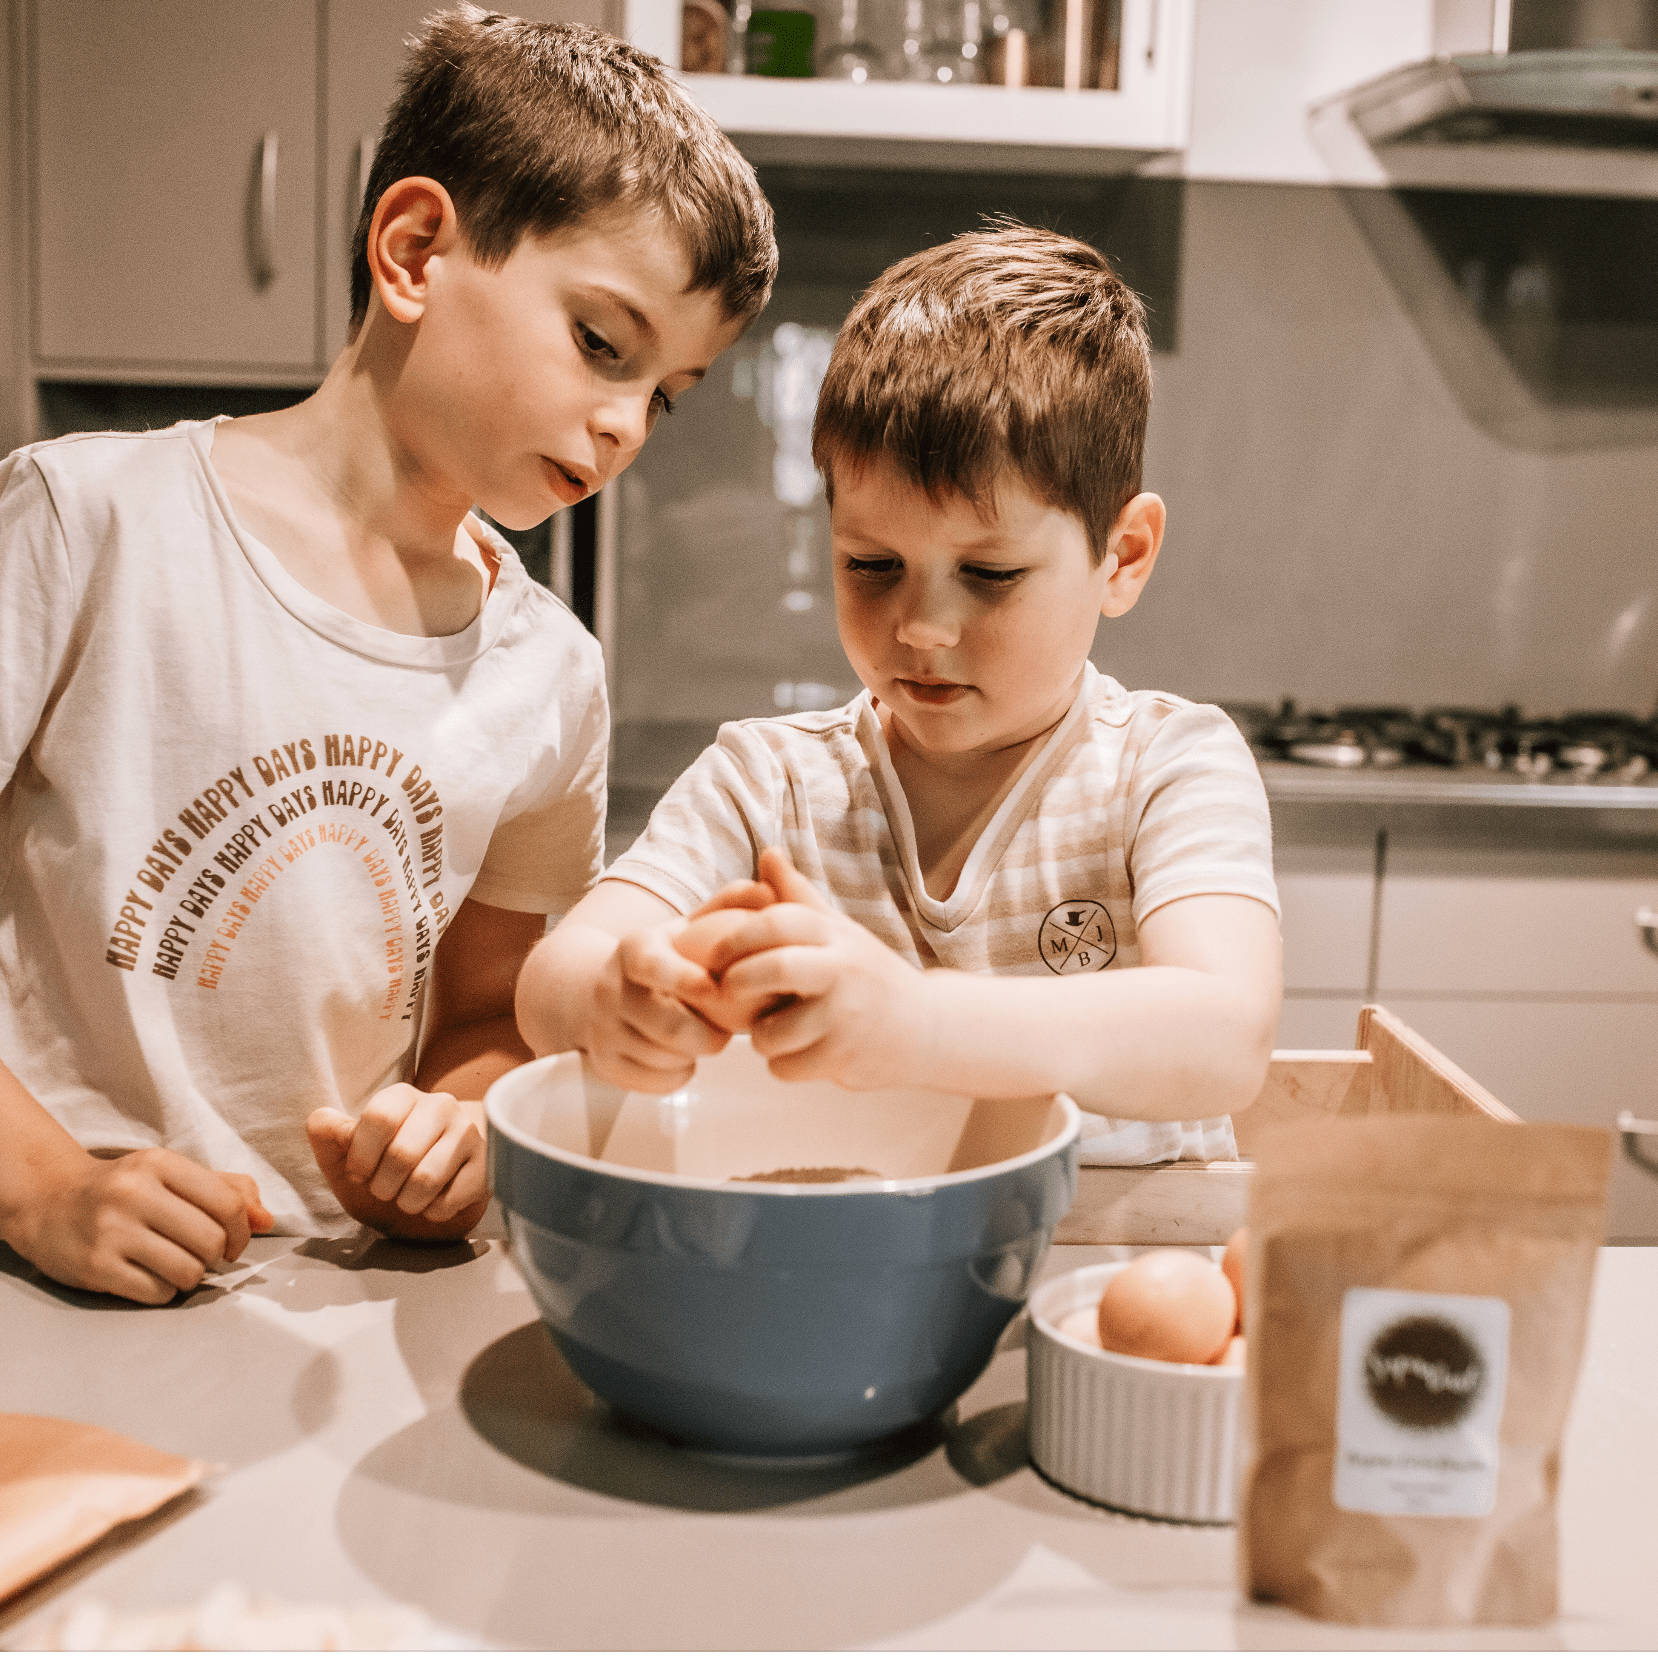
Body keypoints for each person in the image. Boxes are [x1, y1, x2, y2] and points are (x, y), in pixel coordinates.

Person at [0, 7, 776, 1303]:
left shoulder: (552, 679)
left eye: (666, 395)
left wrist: (458, 1133)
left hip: (337, 1297)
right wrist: (43, 1187)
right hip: (40, 1278)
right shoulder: (85, 524)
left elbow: (484, 1020)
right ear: (414, 249)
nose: (629, 424)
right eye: (601, 343)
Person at [516, 225, 1281, 1155]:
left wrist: (915, 1022)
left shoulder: (1167, 767)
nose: (920, 628)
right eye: (873, 565)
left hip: (1103, 1273)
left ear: (1121, 557)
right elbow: (552, 979)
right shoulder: (770, 786)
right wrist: (615, 999)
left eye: (991, 575)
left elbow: (1226, 1038)